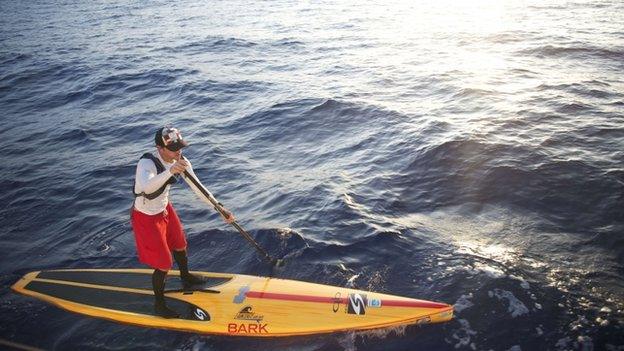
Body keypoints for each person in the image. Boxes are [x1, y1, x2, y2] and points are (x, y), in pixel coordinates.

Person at [131, 126, 235, 318]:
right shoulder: (147, 163)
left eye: (180, 147)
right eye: (173, 149)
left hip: (164, 209)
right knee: (163, 263)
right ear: (159, 148)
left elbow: (199, 189)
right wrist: (170, 170)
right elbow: (146, 186)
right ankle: (159, 305)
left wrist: (220, 208)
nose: (178, 152)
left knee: (180, 243)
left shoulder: (180, 161)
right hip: (146, 216)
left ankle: (186, 276)